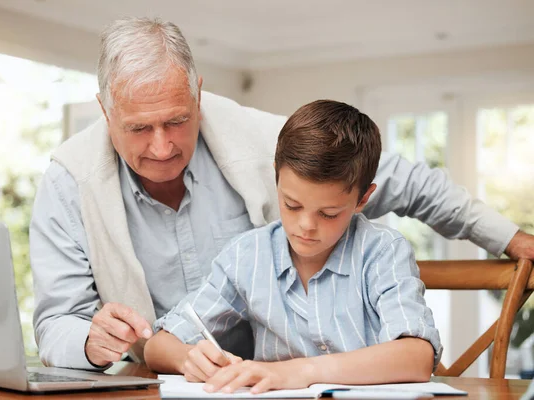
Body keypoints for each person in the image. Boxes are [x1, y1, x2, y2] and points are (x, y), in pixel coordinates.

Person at [29, 17, 533, 370]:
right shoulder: (69, 182)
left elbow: (400, 178)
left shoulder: (259, 139)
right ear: (104, 109)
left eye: (178, 121)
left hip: (271, 381)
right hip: (172, 383)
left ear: (198, 94)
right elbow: (57, 324)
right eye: (140, 128)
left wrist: (508, 236)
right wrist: (94, 343)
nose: (163, 147)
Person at [144, 99, 441, 393]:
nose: (306, 226)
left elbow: (417, 357)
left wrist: (301, 371)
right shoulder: (248, 256)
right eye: (292, 205)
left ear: (362, 199)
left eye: (328, 213)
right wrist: (188, 359)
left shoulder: (382, 252)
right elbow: (157, 348)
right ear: (276, 175)